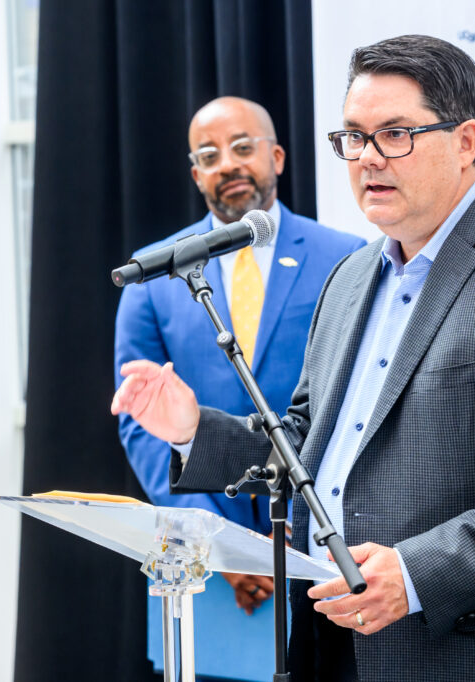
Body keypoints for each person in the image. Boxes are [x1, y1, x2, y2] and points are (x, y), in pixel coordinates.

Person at [113, 34, 475, 682]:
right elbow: (303, 443)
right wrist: (193, 429)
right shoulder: (352, 276)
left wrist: (414, 575)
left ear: (466, 142)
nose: (367, 158)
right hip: (336, 643)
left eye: (395, 135)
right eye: (354, 138)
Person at [114, 96, 364, 617]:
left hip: (324, 544)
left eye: (242, 147)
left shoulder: (347, 257)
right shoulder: (152, 277)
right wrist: (216, 544)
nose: (227, 162)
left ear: (276, 157)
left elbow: (360, 398)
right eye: (209, 155)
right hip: (201, 564)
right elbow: (141, 422)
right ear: (196, 175)